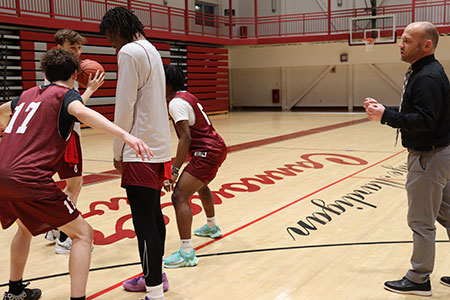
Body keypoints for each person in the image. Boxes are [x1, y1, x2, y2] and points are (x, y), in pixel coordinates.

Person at [0, 48, 151, 300]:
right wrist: (126, 135)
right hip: (29, 178)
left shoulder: (27, 95)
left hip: (2, 175)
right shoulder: (67, 96)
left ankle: (15, 292)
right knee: (83, 234)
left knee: (25, 228)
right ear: (74, 74)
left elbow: (3, 109)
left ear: (45, 73)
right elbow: (81, 112)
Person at [364, 21, 450, 296]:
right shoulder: (426, 72)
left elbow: (424, 121)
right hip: (441, 153)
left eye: (408, 40)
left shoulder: (427, 77)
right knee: (448, 215)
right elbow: (419, 111)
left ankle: (419, 278)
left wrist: (385, 117)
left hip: (429, 156)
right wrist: (386, 110)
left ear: (427, 45)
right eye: (402, 39)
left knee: (421, 221)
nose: (401, 44)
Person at [99, 7, 172, 300]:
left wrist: (118, 149)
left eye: (109, 37)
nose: (110, 43)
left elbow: (124, 106)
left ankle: (153, 291)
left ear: (118, 29)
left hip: (139, 148)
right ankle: (156, 275)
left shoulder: (129, 52)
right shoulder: (152, 49)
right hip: (159, 148)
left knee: (144, 224)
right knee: (154, 218)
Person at [41, 29, 104, 254]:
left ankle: (54, 229)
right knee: (73, 187)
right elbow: (74, 109)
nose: (78, 52)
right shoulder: (61, 73)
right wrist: (90, 90)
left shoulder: (58, 69)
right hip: (66, 136)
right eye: (72, 48)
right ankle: (65, 239)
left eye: (79, 48)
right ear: (59, 48)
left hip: (57, 135)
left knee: (67, 186)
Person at [163, 65, 227, 268]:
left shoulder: (175, 103)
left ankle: (187, 253)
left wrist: (174, 170)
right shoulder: (187, 96)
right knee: (200, 185)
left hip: (206, 152)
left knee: (179, 196)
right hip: (215, 147)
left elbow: (185, 138)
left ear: (166, 84)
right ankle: (212, 226)